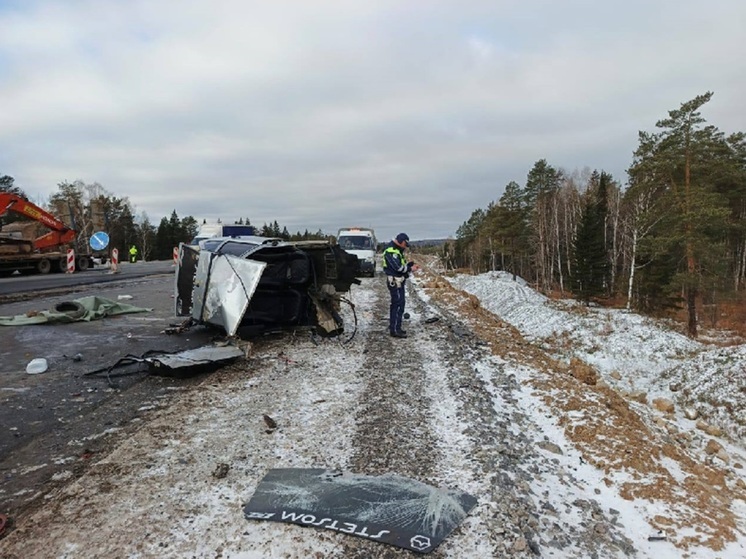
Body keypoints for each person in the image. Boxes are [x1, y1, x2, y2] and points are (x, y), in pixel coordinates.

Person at [382, 232, 418, 338]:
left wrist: (408, 265)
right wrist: (411, 269)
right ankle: (394, 330)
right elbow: (398, 268)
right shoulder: (391, 251)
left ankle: (397, 327)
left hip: (399, 281)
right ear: (402, 242)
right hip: (395, 282)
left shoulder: (397, 251)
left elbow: (400, 266)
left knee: (400, 304)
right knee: (397, 305)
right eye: (405, 245)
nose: (406, 247)